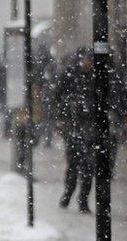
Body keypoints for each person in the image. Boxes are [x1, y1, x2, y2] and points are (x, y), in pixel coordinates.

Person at [53, 48, 116, 214]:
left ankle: (82, 199)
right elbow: (57, 97)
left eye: (89, 60)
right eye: (84, 60)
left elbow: (107, 98)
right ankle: (69, 192)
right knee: (73, 164)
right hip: (73, 126)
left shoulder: (96, 77)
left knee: (88, 166)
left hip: (89, 128)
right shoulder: (70, 75)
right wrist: (63, 114)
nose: (86, 63)